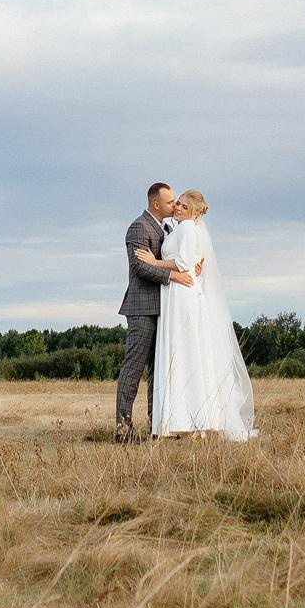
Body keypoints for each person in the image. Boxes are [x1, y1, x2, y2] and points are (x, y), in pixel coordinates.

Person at [134, 189, 257, 441]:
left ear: (190, 211)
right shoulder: (179, 228)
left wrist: (153, 261)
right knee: (183, 355)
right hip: (175, 294)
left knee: (185, 354)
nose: (176, 208)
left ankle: (194, 420)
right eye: (175, 203)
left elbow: (182, 263)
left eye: (180, 205)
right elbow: (191, 262)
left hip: (182, 295)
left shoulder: (188, 228)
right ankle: (183, 421)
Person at [115, 181, 193, 443]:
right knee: (133, 369)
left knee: (159, 372)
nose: (175, 205)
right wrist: (173, 276)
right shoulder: (139, 227)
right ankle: (123, 430)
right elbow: (140, 268)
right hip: (142, 309)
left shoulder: (169, 227)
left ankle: (157, 427)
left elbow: (179, 257)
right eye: (171, 202)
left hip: (164, 309)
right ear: (156, 204)